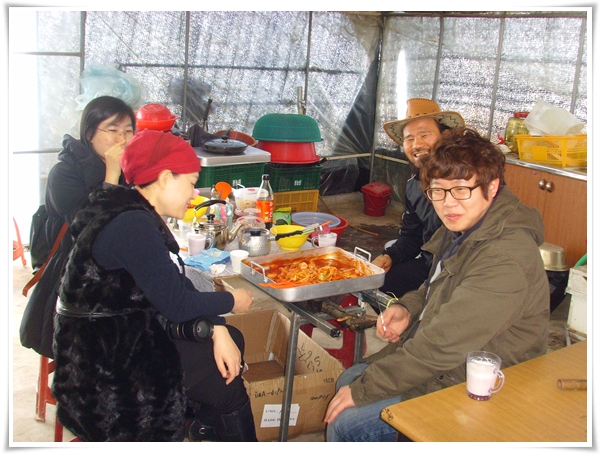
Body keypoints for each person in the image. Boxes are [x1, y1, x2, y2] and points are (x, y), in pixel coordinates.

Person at [324, 127, 549, 442]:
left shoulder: (505, 258)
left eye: (461, 189)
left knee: (346, 420)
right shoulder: (464, 226)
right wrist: (408, 308)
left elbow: (442, 346)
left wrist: (365, 391)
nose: (448, 204)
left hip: (484, 381)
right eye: (438, 191)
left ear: (492, 186)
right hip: (452, 360)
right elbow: (436, 285)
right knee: (348, 378)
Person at [51, 129, 258, 442]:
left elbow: (174, 284)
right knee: (225, 380)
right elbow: (177, 303)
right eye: (190, 183)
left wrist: (217, 326)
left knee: (229, 342)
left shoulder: (125, 210)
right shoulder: (133, 225)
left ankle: (204, 424)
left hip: (115, 340)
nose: (194, 195)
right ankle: (209, 427)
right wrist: (232, 301)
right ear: (164, 178)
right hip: (103, 372)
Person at [20, 95, 136, 359]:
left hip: (118, 266)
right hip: (74, 276)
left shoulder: (129, 168)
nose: (122, 139)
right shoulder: (63, 173)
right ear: (89, 134)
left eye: (128, 131)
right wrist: (112, 175)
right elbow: (88, 229)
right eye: (113, 130)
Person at [371, 98, 465, 303]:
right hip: (429, 263)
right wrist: (390, 256)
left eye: (425, 135)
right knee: (379, 285)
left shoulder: (467, 180)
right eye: (409, 138)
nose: (417, 145)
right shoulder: (415, 185)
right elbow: (412, 236)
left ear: (445, 136)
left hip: (462, 271)